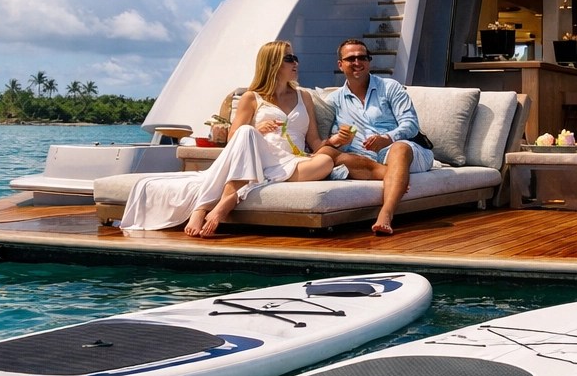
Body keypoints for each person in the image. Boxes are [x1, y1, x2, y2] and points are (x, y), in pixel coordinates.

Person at [120, 41, 339, 237]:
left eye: (295, 58)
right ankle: (205, 208)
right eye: (289, 58)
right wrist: (258, 128)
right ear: (272, 64)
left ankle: (232, 196)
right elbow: (234, 137)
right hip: (258, 154)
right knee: (246, 132)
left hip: (290, 161)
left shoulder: (304, 97)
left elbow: (315, 141)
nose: (296, 63)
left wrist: (336, 140)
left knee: (326, 161)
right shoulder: (252, 97)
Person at [316, 38, 435, 236]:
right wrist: (338, 140)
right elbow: (332, 141)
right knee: (327, 152)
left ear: (369, 61)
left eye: (362, 57)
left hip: (405, 151)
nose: (357, 62)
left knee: (400, 149)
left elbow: (411, 125)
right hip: (364, 159)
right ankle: (394, 176)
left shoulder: (390, 87)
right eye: (351, 58)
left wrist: (387, 138)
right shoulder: (333, 100)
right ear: (340, 64)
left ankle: (386, 214)